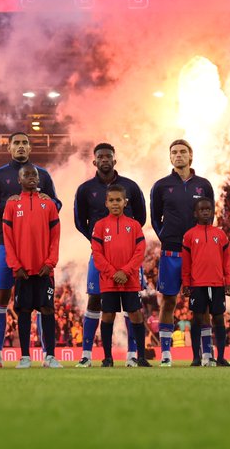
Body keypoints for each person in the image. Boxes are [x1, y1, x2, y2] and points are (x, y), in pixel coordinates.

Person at [0, 132, 59, 368]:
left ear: (30, 147)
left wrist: (46, 200)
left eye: (25, 143)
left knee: (44, 303)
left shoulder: (42, 175)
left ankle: (48, 355)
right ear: (10, 148)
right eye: (17, 143)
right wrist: (10, 204)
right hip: (8, 243)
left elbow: (56, 205)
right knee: (2, 296)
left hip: (37, 245)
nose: (21, 146)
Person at [74, 143, 146, 367]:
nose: (104, 159)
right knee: (95, 300)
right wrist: (100, 242)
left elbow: (141, 218)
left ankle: (133, 355)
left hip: (129, 257)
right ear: (94, 161)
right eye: (100, 157)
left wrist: (122, 239)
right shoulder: (85, 189)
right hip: (100, 256)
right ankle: (87, 354)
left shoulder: (131, 187)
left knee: (132, 306)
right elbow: (80, 221)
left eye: (108, 156)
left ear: (115, 160)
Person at [150, 139, 215, 366]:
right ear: (170, 158)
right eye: (174, 152)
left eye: (182, 152)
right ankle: (166, 354)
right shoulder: (160, 186)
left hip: (199, 253)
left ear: (191, 156)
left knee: (203, 304)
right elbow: (155, 218)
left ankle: (207, 354)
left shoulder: (204, 185)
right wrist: (167, 237)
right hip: (171, 251)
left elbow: (210, 217)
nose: (178, 155)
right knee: (168, 301)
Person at [3, 164, 62, 369]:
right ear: (19, 180)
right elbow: (7, 239)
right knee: (25, 311)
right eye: (26, 174)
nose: (31, 177)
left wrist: (50, 262)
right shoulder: (12, 205)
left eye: (34, 175)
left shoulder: (49, 205)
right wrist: (15, 265)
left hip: (45, 269)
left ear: (39, 179)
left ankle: (50, 357)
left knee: (47, 310)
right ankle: (25, 357)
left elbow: (55, 237)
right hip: (22, 270)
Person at [90, 183, 149, 368]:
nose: (115, 203)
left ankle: (141, 357)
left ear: (125, 202)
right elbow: (97, 254)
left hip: (130, 279)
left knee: (136, 315)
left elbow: (140, 251)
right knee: (107, 315)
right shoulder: (100, 226)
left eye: (118, 200)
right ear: (106, 203)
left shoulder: (134, 226)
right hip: (109, 280)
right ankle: (107, 358)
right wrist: (113, 272)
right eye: (111, 200)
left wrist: (126, 271)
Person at [181, 198, 230, 367]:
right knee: (197, 319)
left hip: (217, 283)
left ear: (212, 212)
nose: (205, 212)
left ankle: (221, 357)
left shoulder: (220, 234)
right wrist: (186, 283)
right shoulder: (189, 236)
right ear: (195, 213)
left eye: (208, 210)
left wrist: (228, 281)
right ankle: (197, 356)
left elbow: (226, 261)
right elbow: (186, 263)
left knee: (218, 318)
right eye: (201, 210)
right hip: (197, 284)